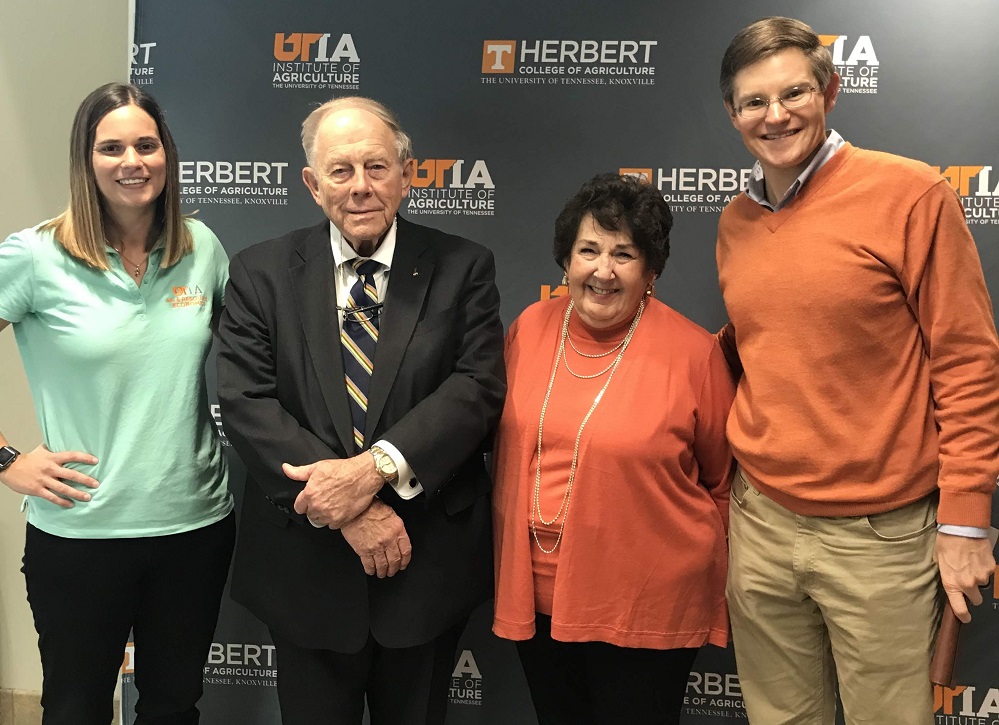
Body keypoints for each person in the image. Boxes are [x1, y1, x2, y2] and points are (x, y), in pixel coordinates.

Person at [716, 17, 999, 724]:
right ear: (732, 114)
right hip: (761, 523)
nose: (773, 115)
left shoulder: (910, 193)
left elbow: (966, 361)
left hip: (880, 537)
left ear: (830, 92)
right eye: (753, 101)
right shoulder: (734, 221)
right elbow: (771, 340)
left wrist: (966, 522)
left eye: (793, 93)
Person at [215, 96, 505, 725]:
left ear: (408, 173)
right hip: (305, 570)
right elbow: (244, 399)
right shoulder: (259, 272)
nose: (361, 188)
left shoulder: (464, 268)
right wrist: (345, 507)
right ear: (312, 185)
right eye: (341, 171)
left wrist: (372, 472)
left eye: (377, 167)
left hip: (424, 565)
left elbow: (476, 387)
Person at [0, 83, 234, 725]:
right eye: (111, 147)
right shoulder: (36, 255)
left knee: (172, 706)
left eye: (146, 144)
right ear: (86, 160)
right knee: (75, 708)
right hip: (81, 534)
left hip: (194, 529)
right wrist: (4, 460)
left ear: (167, 154)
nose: (132, 160)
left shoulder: (201, 248)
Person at [491, 173, 735, 725]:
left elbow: (721, 482)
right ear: (565, 261)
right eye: (588, 250)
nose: (603, 271)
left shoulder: (695, 355)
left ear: (650, 271)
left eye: (624, 254)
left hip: (645, 600)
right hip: (536, 595)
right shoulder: (529, 328)